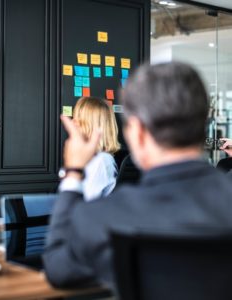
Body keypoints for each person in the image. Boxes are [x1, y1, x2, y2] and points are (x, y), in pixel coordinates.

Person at [43, 62, 232, 290]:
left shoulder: (104, 217)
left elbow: (58, 269)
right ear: (203, 125)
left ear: (139, 133)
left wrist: (73, 173)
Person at [66, 96, 120, 201]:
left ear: (91, 125)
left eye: (77, 119)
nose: (72, 123)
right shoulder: (92, 159)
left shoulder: (101, 161)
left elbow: (82, 207)